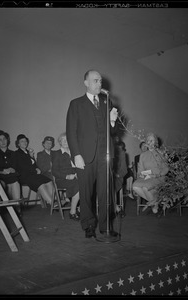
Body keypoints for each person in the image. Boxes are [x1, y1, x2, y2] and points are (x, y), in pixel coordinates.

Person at [66, 69, 118, 238]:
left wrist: (112, 121)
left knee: (105, 193)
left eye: (100, 81)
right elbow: (71, 131)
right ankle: (88, 226)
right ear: (86, 83)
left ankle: (105, 226)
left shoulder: (106, 102)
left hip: (105, 156)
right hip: (85, 157)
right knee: (86, 193)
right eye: (95, 80)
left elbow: (113, 131)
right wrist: (76, 155)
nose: (99, 83)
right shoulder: (76, 104)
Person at [132, 133, 169, 213]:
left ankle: (153, 204)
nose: (149, 142)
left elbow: (166, 168)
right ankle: (155, 203)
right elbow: (140, 170)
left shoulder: (161, 153)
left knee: (145, 187)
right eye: (148, 140)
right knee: (135, 186)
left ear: (155, 142)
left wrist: (157, 175)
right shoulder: (143, 155)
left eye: (151, 140)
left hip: (159, 177)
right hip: (147, 178)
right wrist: (141, 175)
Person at [13, 134, 53, 206]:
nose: (24, 143)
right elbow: (23, 167)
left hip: (33, 175)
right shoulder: (17, 153)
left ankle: (55, 201)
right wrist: (35, 169)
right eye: (22, 141)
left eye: (25, 141)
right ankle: (52, 203)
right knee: (41, 184)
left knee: (49, 181)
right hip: (25, 176)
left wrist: (36, 167)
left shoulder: (28, 152)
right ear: (18, 144)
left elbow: (33, 164)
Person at [52, 133, 80, 221]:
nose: (65, 142)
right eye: (62, 140)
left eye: (66, 140)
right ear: (60, 142)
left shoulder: (74, 153)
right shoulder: (57, 153)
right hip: (62, 179)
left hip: (75, 177)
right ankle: (73, 211)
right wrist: (67, 176)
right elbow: (54, 171)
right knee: (78, 184)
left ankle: (80, 209)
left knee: (87, 183)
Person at [0, 130, 20, 200]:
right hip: (0, 177)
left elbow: (16, 166)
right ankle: (7, 207)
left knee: (15, 182)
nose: (3, 141)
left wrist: (12, 169)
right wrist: (2, 171)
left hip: (12, 176)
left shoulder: (13, 153)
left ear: (7, 140)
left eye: (4, 139)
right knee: (3, 185)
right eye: (0, 140)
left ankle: (17, 206)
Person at [113, 138, 127, 217]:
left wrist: (117, 175)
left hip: (117, 178)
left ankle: (114, 208)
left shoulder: (121, 153)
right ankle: (116, 208)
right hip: (104, 177)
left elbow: (124, 170)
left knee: (111, 186)